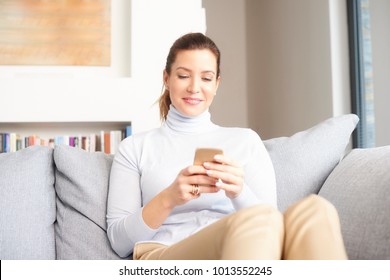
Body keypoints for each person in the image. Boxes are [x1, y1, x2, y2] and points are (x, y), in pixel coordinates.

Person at [106, 32, 347, 260]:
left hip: (239, 247)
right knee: (256, 220)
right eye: (183, 75)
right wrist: (169, 198)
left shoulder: (245, 140)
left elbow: (271, 224)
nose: (194, 87)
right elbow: (119, 241)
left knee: (316, 210)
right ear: (166, 78)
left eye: (206, 78)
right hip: (165, 252)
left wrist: (239, 192)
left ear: (217, 84)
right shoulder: (135, 147)